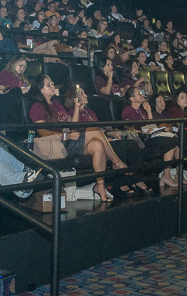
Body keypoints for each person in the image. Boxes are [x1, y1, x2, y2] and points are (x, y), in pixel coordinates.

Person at [27, 75, 127, 203]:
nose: (53, 86)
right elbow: (42, 132)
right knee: (95, 131)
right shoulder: (37, 107)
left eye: (52, 83)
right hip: (56, 145)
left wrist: (77, 107)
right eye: (48, 84)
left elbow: (73, 125)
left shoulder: (57, 104)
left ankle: (100, 187)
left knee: (98, 145)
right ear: (41, 90)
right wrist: (67, 136)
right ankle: (116, 161)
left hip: (69, 142)